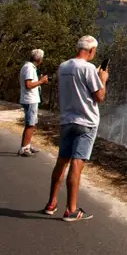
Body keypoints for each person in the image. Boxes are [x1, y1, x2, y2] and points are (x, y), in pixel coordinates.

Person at [43, 35, 108, 222]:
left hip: (67, 120)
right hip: (86, 122)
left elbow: (76, 86)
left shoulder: (63, 67)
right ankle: (71, 210)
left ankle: (51, 203)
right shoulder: (88, 68)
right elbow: (99, 96)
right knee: (77, 164)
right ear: (92, 50)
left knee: (61, 161)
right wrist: (102, 79)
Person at [18, 49, 48, 156]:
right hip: (30, 99)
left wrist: (38, 81)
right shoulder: (29, 68)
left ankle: (27, 144)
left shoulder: (28, 67)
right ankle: (24, 148)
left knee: (32, 123)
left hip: (30, 99)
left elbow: (30, 83)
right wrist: (41, 81)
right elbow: (28, 85)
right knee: (30, 124)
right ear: (39, 59)